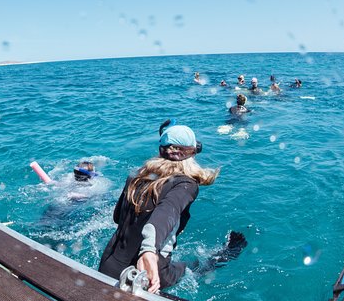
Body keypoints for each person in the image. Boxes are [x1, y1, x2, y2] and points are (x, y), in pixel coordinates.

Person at [99, 124, 244, 293]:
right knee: (195, 267)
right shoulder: (186, 184)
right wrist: (148, 251)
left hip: (108, 267)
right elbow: (167, 211)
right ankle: (228, 252)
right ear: (192, 152)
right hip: (147, 274)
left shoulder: (136, 176)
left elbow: (118, 217)